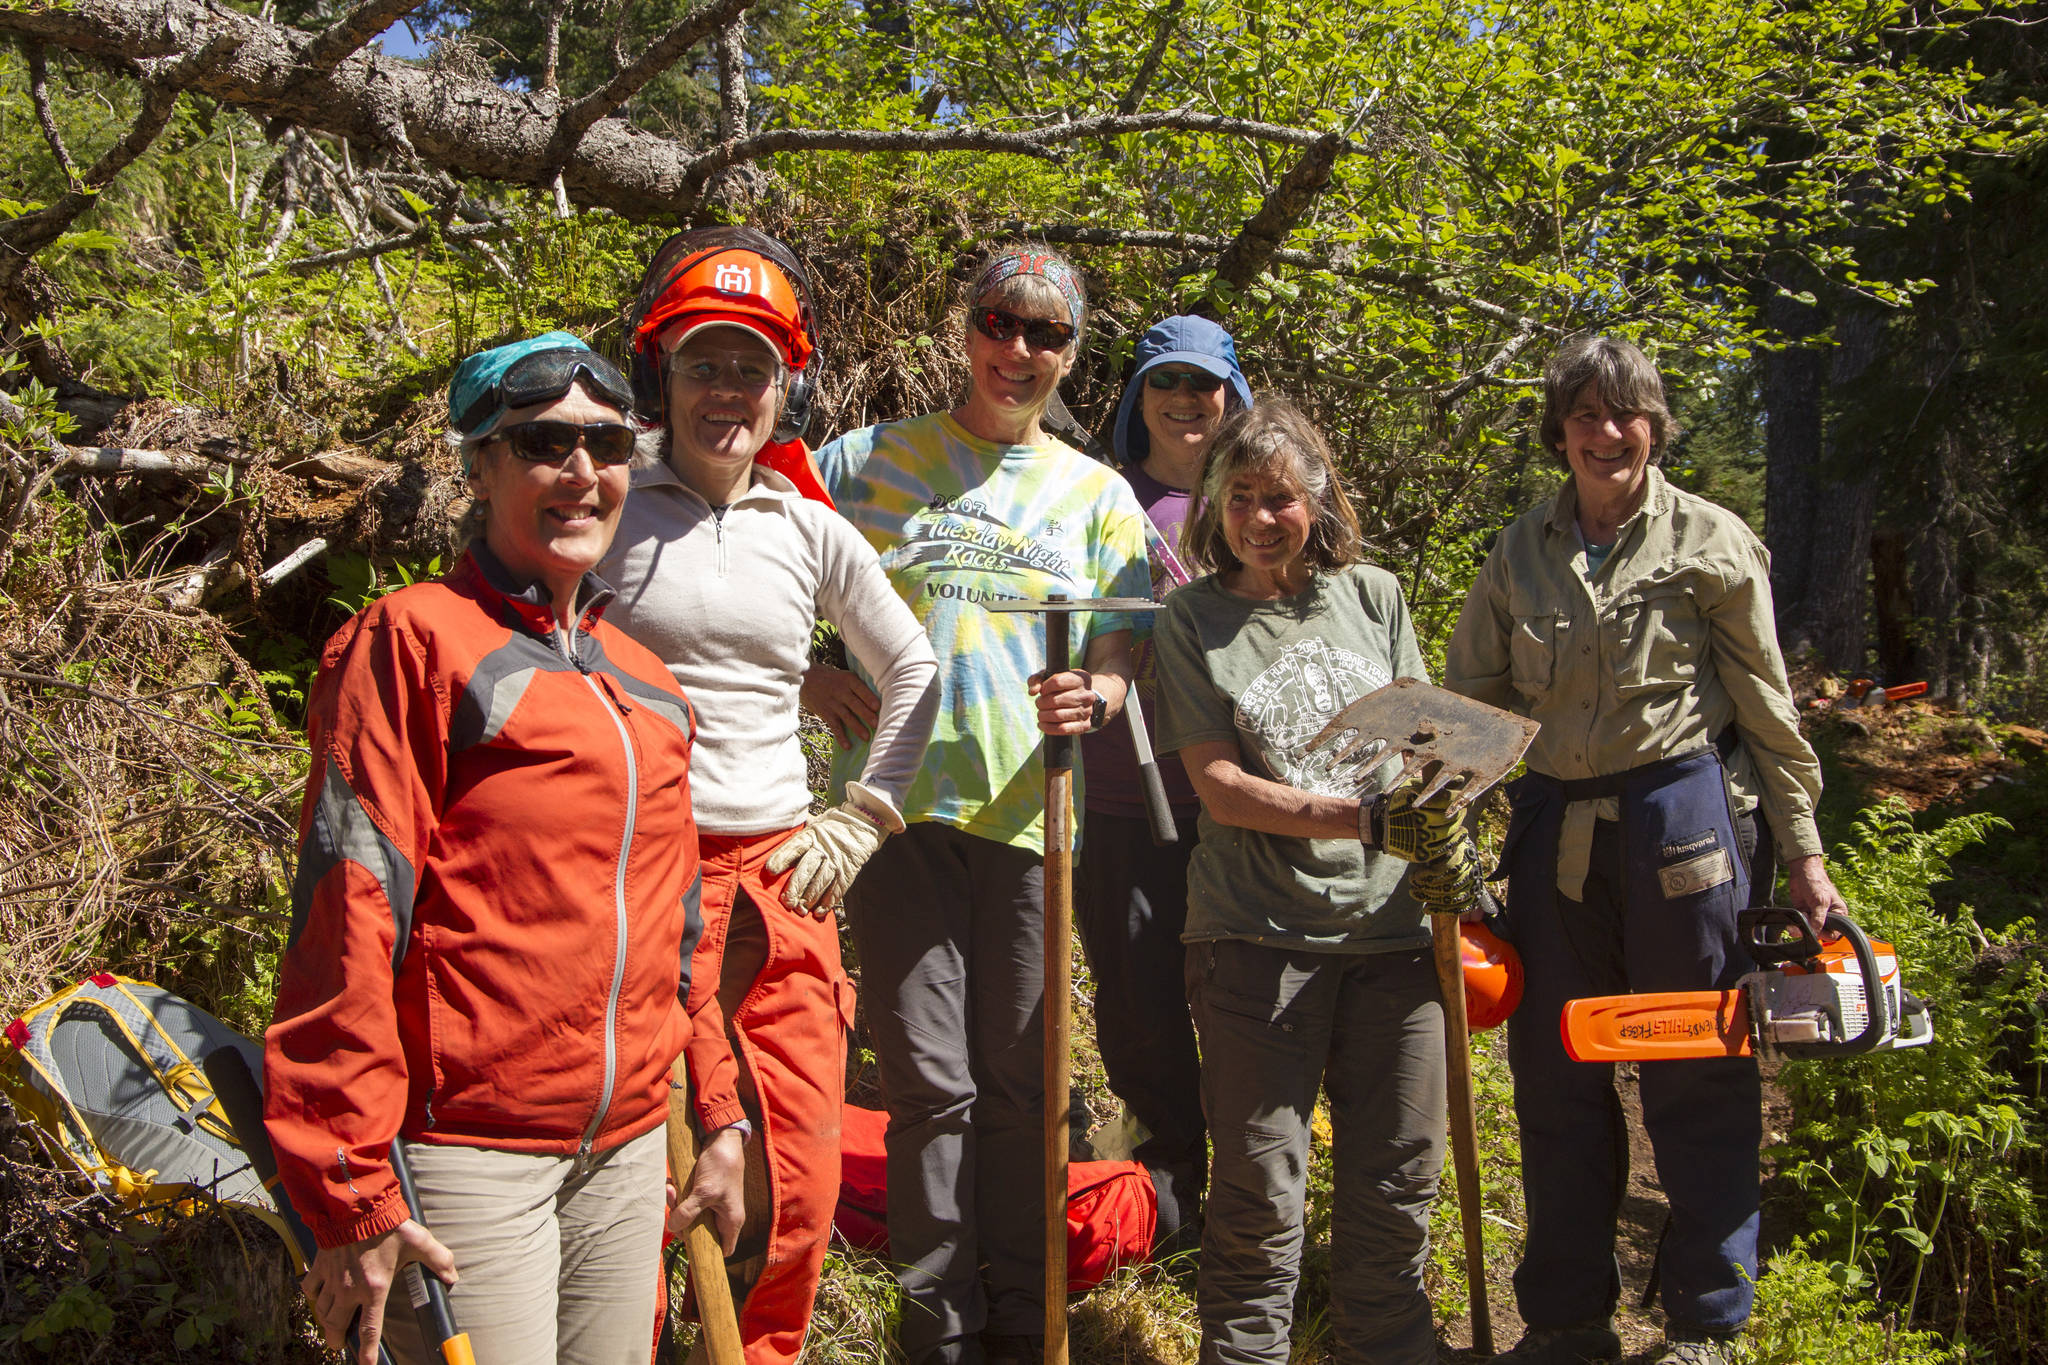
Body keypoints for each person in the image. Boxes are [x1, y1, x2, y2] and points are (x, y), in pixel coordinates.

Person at [265, 333, 706, 1365]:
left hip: (629, 1152)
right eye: (542, 443)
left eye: (605, 443)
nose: (581, 472)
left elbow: (681, 934)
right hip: (468, 1154)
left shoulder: (646, 683)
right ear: (479, 466)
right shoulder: (415, 640)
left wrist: (714, 1115)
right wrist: (351, 1185)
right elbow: (346, 915)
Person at [1443, 334, 1848, 1365]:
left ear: (1653, 426)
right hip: (1549, 831)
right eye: (1582, 413)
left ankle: (1704, 1322)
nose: (1603, 431)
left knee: (1695, 1067)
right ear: (1558, 432)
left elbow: (1765, 708)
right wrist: (1432, 822)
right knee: (1555, 1074)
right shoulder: (1519, 550)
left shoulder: (1710, 543)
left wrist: (1802, 855)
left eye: (1622, 412)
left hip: (1685, 826)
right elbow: (1473, 703)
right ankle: (1567, 1318)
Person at [806, 244, 1152, 1365]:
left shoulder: (1097, 496)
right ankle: (936, 1328)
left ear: (1070, 354)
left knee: (1024, 1076)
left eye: (1045, 334)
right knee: (927, 1083)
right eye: (1000, 323)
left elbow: (1123, 642)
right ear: (965, 329)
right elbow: (756, 552)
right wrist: (805, 673)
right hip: (895, 809)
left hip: (1032, 818)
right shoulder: (863, 460)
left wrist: (1094, 694)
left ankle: (1021, 1314)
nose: (1018, 351)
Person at [600, 226, 939, 1365]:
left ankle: (765, 1355)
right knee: (638, 1176)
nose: (727, 390)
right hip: (633, 881)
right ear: (662, 373)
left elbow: (913, 669)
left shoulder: (807, 526)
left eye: (750, 368)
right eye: (703, 363)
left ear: (783, 383)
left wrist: (864, 815)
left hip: (781, 877)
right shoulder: (604, 498)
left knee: (798, 1173)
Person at [1152, 397, 1468, 1365]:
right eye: (1238, 496)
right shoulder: (1191, 619)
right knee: (1257, 1195)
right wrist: (1363, 820)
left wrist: (1448, 804)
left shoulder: (1371, 597)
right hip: (1255, 943)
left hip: (1393, 941)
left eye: (1278, 498)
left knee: (1396, 1185)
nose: (1258, 518)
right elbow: (1220, 788)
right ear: (1212, 505)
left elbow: (1427, 747)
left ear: (1316, 499)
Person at [1076, 315, 1252, 1236]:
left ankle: (1258, 1187)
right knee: (1139, 997)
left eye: (1205, 385)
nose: (1186, 401)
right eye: (1164, 383)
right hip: (1119, 799)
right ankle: (1171, 1191)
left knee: (1243, 1000)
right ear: (1136, 399)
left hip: (1244, 806)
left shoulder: (1259, 503)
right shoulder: (1096, 500)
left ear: (1233, 397)